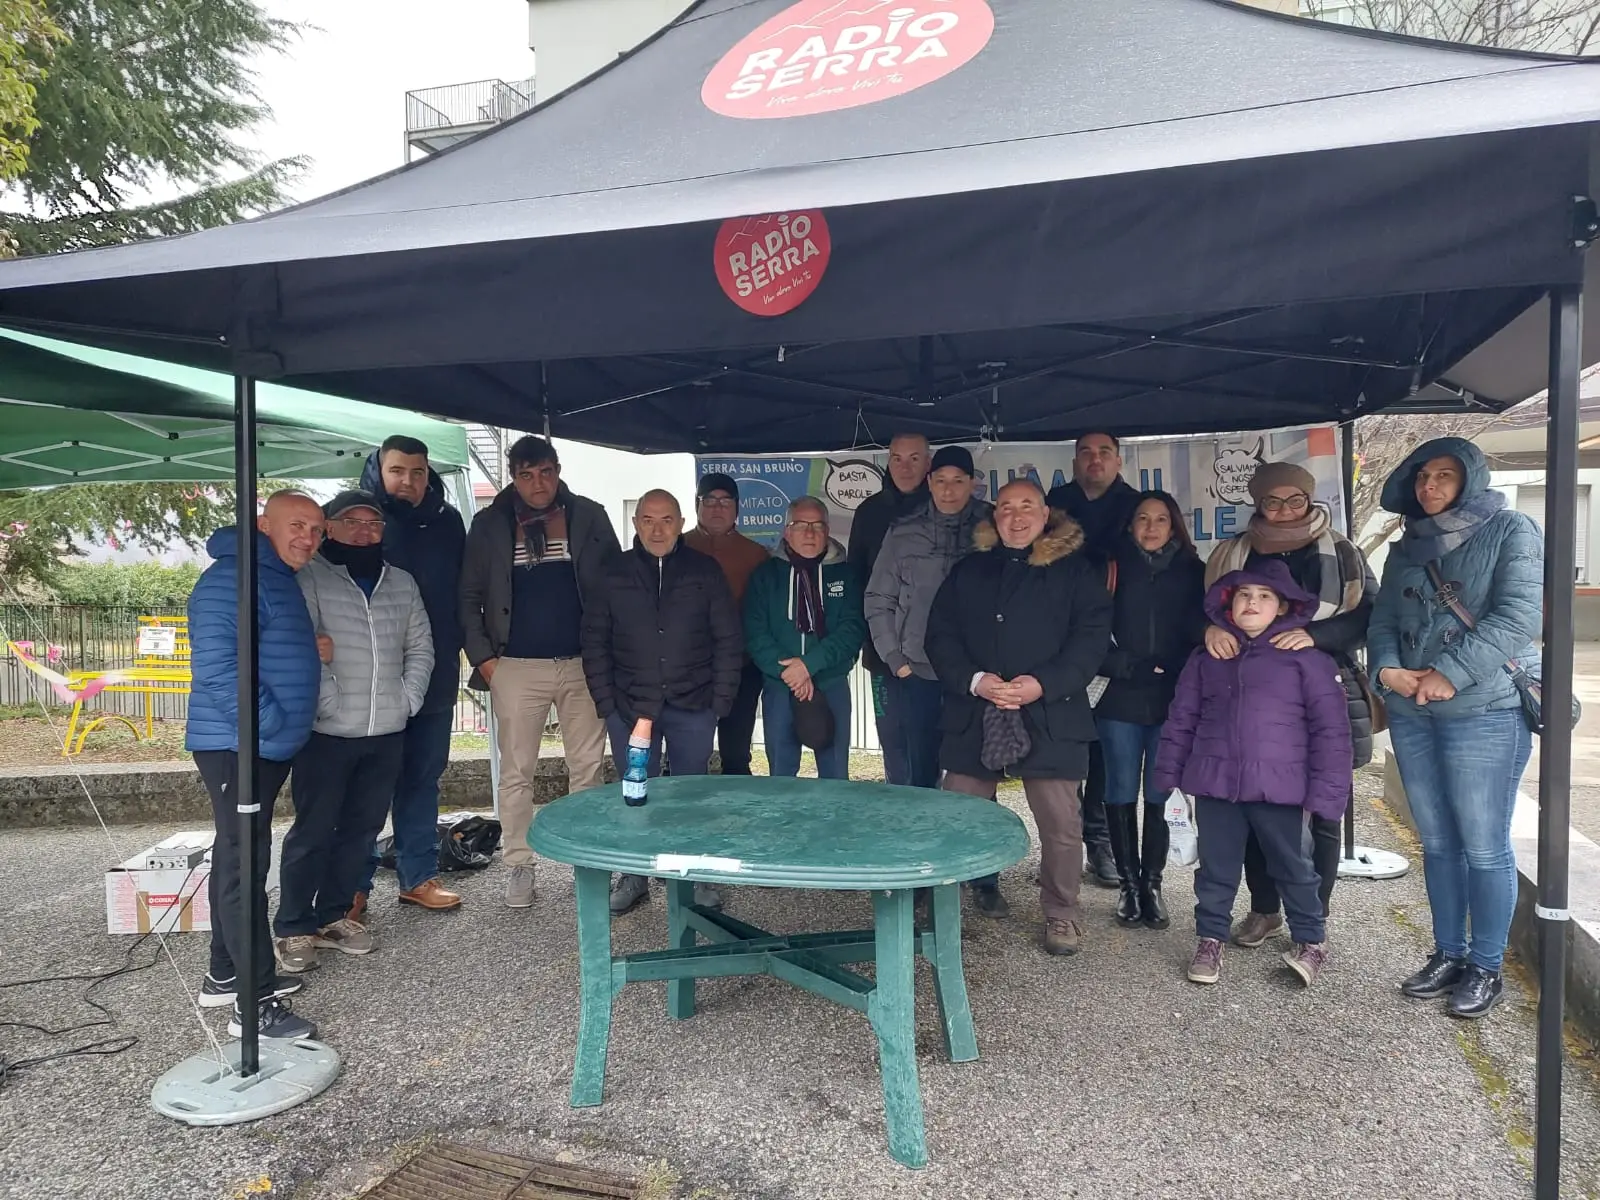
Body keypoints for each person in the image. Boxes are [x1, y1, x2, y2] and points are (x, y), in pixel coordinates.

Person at [1368, 438, 1543, 1020]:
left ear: (1470, 478)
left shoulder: (1511, 529)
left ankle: (1486, 967)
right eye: (1422, 476)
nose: (1430, 486)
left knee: (1484, 844)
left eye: (1444, 475)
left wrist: (1448, 672)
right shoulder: (1405, 548)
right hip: (1414, 710)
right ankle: (1448, 951)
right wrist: (1387, 669)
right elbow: (1385, 616)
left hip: (1485, 709)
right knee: (1437, 841)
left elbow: (1518, 616)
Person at [924, 480, 1112, 947]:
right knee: (956, 815)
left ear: (1045, 514)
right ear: (995, 517)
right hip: (975, 711)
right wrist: (975, 680)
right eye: (1005, 508)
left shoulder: (1076, 572)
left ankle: (1061, 912)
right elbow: (940, 637)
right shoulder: (970, 571)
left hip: (1051, 713)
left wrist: (1042, 684)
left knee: (1061, 825)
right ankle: (946, 904)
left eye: (1026, 506)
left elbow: (1090, 642)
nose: (1016, 516)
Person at [1203, 460, 1377, 947]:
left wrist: (1314, 635)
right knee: (1259, 806)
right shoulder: (1236, 553)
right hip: (1255, 696)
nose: (1284, 510)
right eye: (1272, 501)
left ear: (1309, 499)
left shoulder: (1342, 552)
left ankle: (1313, 916)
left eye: (1294, 499)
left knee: (1323, 810)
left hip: (1325, 685)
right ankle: (1264, 910)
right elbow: (1212, 607)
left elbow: (1369, 617)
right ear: (1259, 504)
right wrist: (1212, 626)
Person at [1153, 561, 1352, 988]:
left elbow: (1332, 732)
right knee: (1216, 869)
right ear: (1229, 604)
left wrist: (1328, 795)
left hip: (1281, 787)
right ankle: (1210, 938)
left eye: (1264, 597)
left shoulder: (1308, 660)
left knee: (1294, 866)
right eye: (1244, 595)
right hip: (1215, 782)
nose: (1252, 603)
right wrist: (1167, 774)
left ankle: (1311, 941)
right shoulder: (1207, 656)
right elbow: (1181, 717)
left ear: (1282, 607)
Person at [274, 491, 433, 973]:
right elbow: (304, 644)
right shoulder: (311, 577)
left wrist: (407, 702)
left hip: (386, 729)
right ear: (331, 528)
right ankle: (294, 925)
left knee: (363, 829)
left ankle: (335, 914)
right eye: (352, 522)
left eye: (374, 523)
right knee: (314, 829)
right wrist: (327, 703)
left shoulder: (401, 583)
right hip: (327, 731)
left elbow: (420, 647)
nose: (365, 531)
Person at [460, 436, 621, 910]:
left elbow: (615, 585)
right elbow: (468, 597)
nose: (538, 484)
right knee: (516, 772)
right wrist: (485, 660)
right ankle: (518, 866)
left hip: (582, 663)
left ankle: (588, 865)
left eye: (546, 472)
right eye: (527, 475)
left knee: (588, 769)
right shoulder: (489, 524)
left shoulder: (589, 515)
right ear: (513, 475)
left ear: (557, 469)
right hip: (515, 666)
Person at [186, 489, 322, 1041]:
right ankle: (254, 999)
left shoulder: (271, 576)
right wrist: (268, 725)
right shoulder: (230, 578)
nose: (307, 539)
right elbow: (219, 668)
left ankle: (224, 973)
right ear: (264, 524)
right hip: (238, 744)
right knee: (245, 865)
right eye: (296, 526)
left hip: (260, 745)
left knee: (237, 853)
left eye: (316, 530)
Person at [583, 489, 743, 914]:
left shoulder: (704, 571)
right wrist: (605, 702)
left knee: (694, 795)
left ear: (680, 522)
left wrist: (720, 701)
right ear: (636, 523)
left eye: (667, 519)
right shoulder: (612, 572)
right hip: (629, 706)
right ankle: (634, 873)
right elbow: (594, 641)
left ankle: (698, 874)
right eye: (648, 519)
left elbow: (727, 637)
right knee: (637, 794)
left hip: (694, 704)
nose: (658, 528)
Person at [352, 434, 467, 920]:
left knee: (423, 779)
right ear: (380, 469)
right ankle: (351, 886)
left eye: (417, 472)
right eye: (397, 470)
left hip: (436, 673)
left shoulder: (449, 522)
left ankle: (417, 877)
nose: (407, 481)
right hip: (372, 677)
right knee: (367, 785)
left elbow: (466, 589)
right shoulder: (360, 520)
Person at [1094, 491, 1206, 930]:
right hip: (1120, 695)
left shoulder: (1194, 572)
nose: (1152, 527)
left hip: (1172, 698)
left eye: (1161, 519)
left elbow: (1203, 632)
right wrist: (1129, 665)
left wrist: (1176, 668)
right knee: (1120, 787)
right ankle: (1127, 885)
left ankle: (1153, 884)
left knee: (1160, 791)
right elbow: (1087, 632)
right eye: (1143, 518)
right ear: (1129, 524)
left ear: (1175, 524)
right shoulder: (1108, 570)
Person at [865, 445, 991, 788]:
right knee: (921, 772)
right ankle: (923, 841)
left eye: (958, 481)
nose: (948, 490)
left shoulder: (992, 527)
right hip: (919, 671)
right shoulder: (903, 532)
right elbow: (878, 597)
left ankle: (975, 842)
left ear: (971, 484)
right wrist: (896, 659)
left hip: (977, 674)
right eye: (941, 481)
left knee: (978, 773)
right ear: (930, 482)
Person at [1046, 432, 1139, 887]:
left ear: (1118, 460)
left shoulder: (1136, 505)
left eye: (1104, 452)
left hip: (1119, 643)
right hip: (1058, 643)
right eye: (1086, 452)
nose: (1095, 459)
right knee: (1064, 748)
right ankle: (1063, 844)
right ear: (1075, 460)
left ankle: (1099, 842)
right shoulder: (1055, 503)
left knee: (1105, 748)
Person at [745, 496, 866, 780]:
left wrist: (809, 666)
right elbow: (755, 632)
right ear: (787, 531)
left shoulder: (846, 575)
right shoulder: (765, 576)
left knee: (835, 775)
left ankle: (834, 824)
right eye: (800, 525)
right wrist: (790, 672)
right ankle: (787, 826)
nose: (809, 533)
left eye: (817, 525)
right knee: (782, 776)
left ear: (827, 531)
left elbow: (852, 629)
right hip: (780, 686)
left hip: (831, 683)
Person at [848, 433, 931, 783]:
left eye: (914, 458)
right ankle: (902, 823)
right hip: (884, 657)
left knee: (934, 745)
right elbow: (856, 580)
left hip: (936, 659)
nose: (905, 466)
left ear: (928, 462)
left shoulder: (942, 508)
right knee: (894, 743)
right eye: (897, 458)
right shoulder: (869, 513)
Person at [683, 473, 770, 776]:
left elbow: (764, 615)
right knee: (688, 756)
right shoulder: (677, 548)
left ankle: (738, 821)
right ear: (697, 506)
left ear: (737, 508)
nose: (717, 508)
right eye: (709, 500)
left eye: (725, 501)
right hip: (687, 673)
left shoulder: (756, 555)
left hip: (741, 670)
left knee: (735, 756)